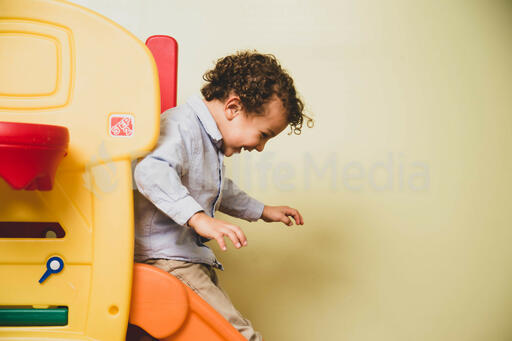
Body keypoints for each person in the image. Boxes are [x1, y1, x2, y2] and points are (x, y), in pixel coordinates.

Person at [133, 51, 311, 341]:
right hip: (164, 259)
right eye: (263, 134)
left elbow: (217, 189)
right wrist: (198, 218)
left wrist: (262, 210)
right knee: (234, 335)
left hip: (184, 258)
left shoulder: (206, 141)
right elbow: (150, 171)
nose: (261, 146)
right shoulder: (180, 126)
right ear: (233, 108)